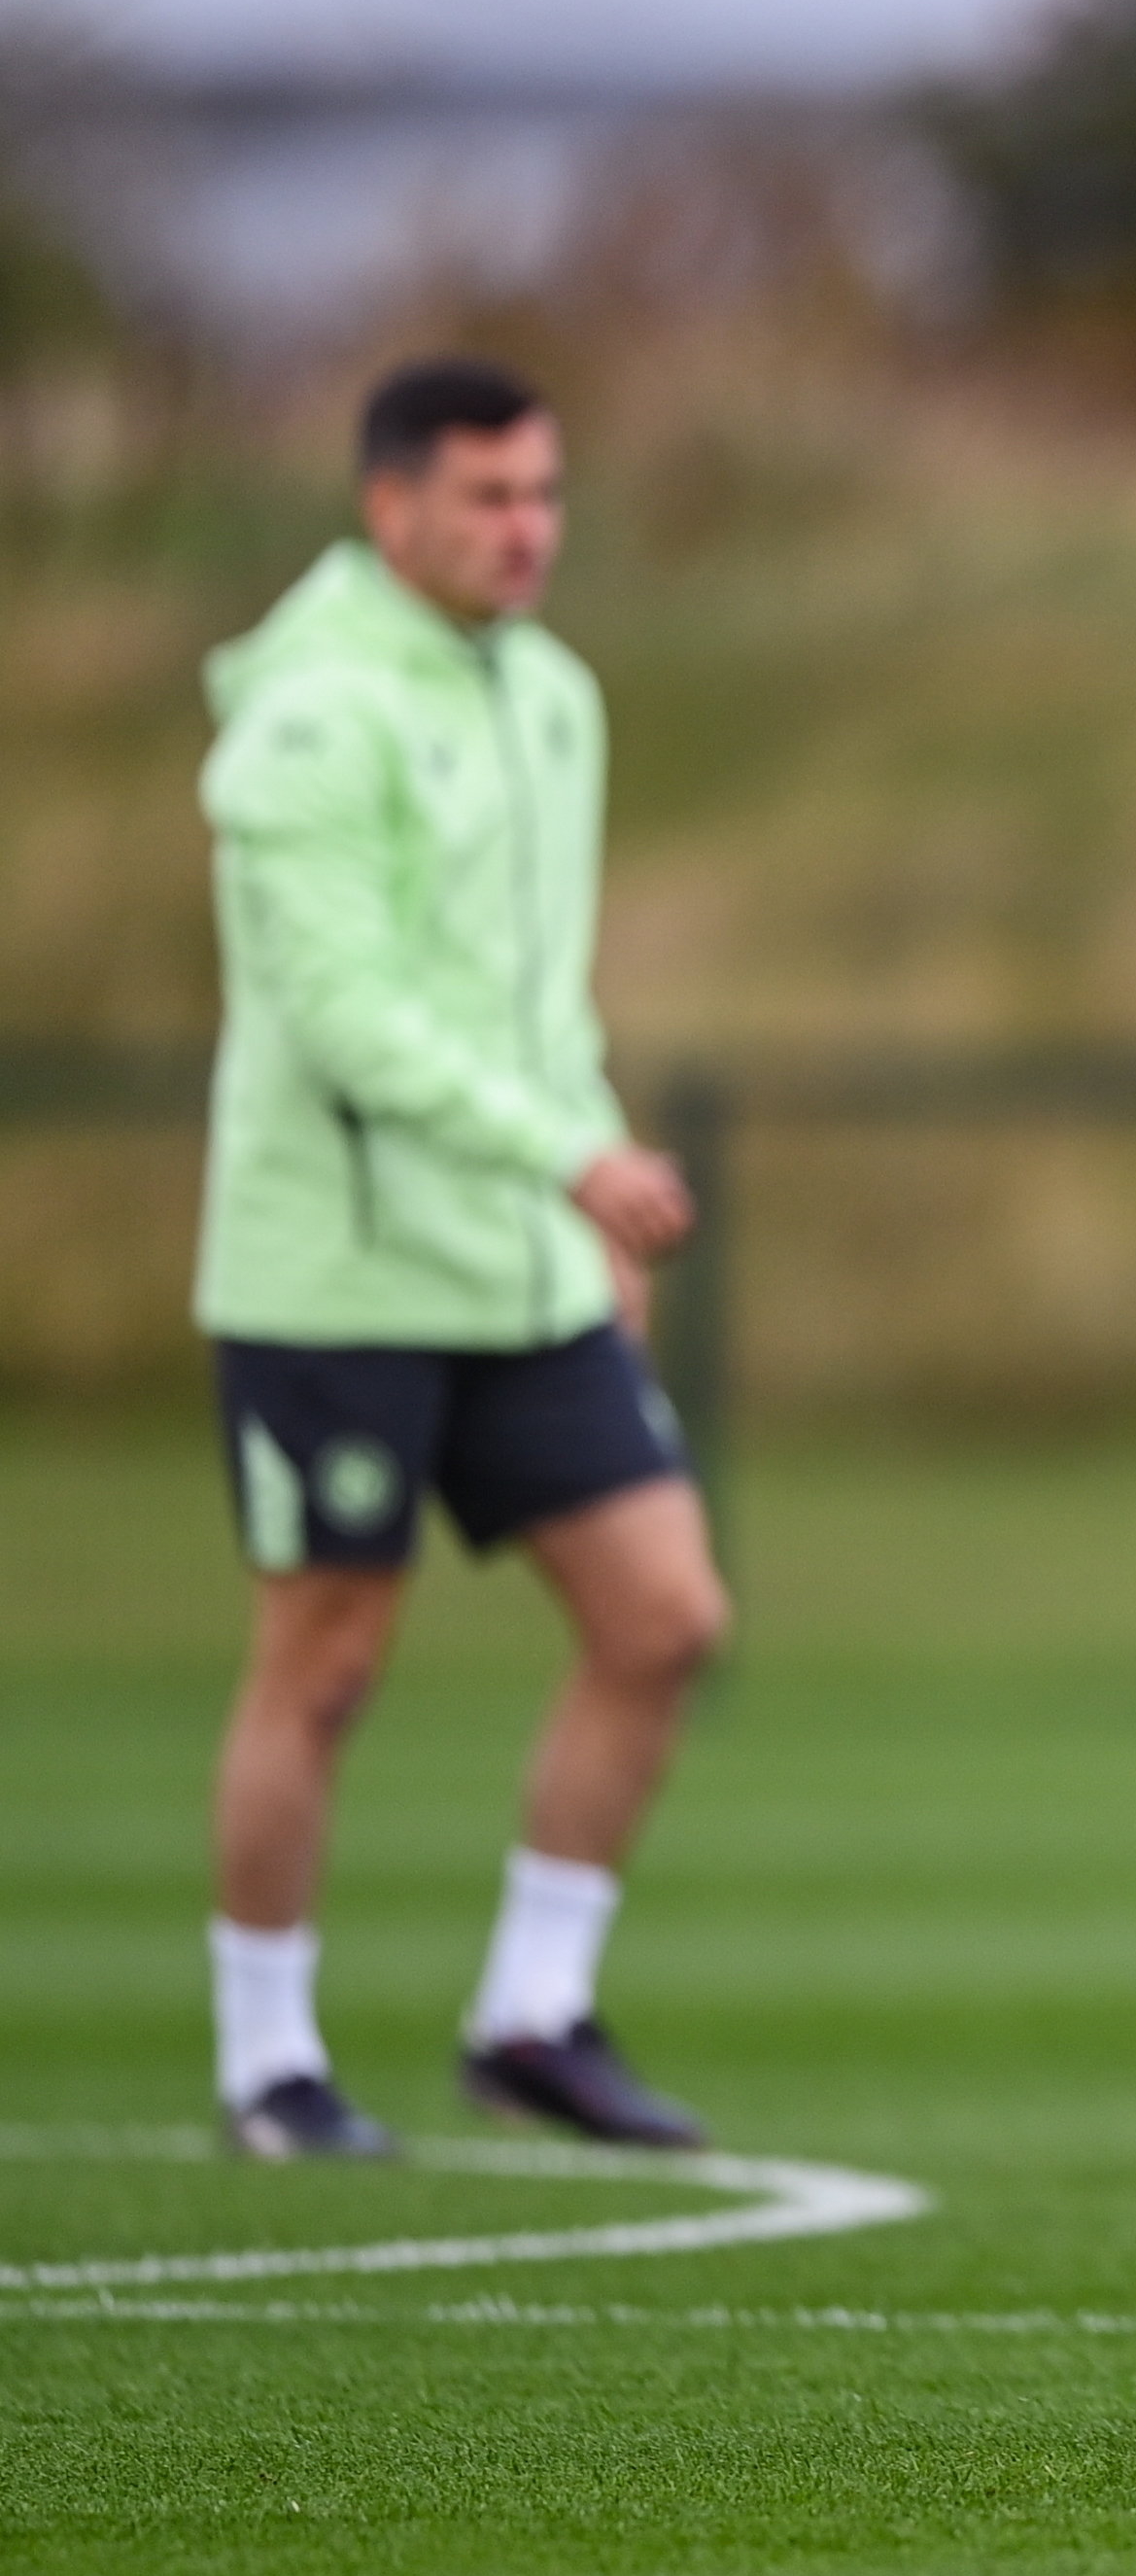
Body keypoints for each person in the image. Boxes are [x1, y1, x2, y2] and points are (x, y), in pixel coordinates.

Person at [195, 358, 730, 2159]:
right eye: (488, 496)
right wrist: (567, 1154)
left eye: (544, 493)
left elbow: (533, 997)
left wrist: (581, 1204)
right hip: (332, 1273)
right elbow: (343, 1013)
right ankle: (270, 2056)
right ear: (390, 504)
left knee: (665, 1619)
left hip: (518, 1266)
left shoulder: (552, 694)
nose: (526, 530)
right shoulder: (308, 714)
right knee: (326, 1663)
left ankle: (531, 2015)